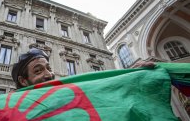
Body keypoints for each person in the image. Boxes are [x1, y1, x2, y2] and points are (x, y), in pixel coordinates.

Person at [12, 48, 155, 89]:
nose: (49, 75)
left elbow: (105, 89)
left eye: (49, 68)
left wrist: (131, 75)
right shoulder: (11, 111)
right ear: (23, 81)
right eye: (38, 71)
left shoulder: (69, 95)